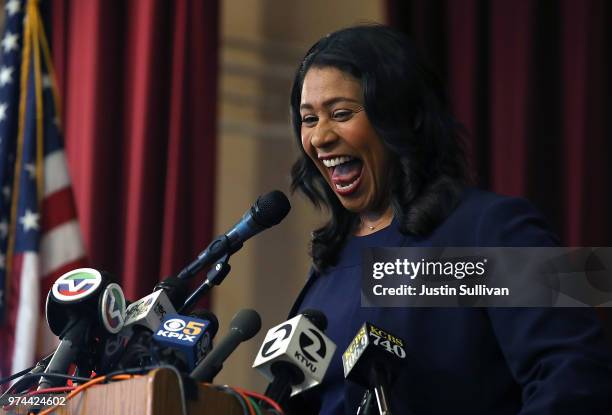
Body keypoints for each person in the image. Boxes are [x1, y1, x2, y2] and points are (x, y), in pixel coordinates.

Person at [286, 24, 612, 414]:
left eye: (340, 113)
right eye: (308, 119)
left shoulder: (495, 227)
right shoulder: (328, 267)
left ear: (402, 117)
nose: (320, 137)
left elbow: (577, 378)